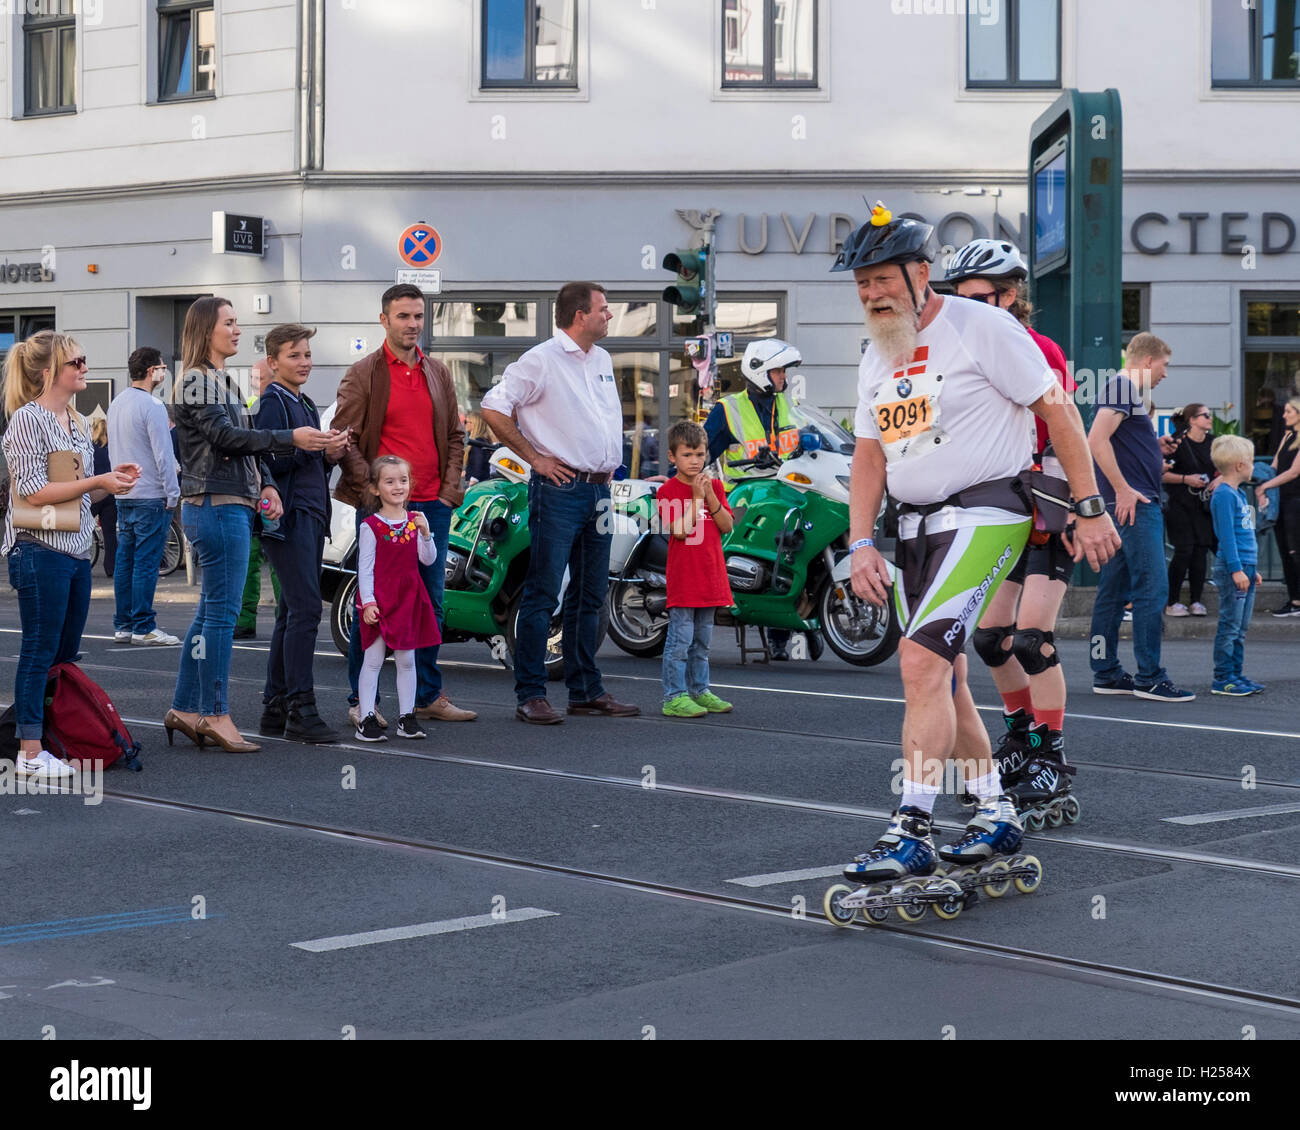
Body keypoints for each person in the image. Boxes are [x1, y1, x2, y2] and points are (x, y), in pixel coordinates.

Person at [834, 203, 1119, 885]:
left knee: (917, 663)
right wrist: (859, 543)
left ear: (920, 273)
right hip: (912, 528)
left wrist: (1087, 506)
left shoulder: (981, 326)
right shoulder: (878, 354)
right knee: (945, 672)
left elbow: (1058, 408)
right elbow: (869, 455)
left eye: (882, 278)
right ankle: (994, 811)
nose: (872, 293)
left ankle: (911, 828)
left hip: (987, 512)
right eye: (861, 283)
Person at [164, 297, 334, 754]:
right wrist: (288, 438)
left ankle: (183, 708)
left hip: (228, 501)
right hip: (216, 505)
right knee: (220, 616)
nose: (238, 330)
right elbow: (226, 437)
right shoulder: (198, 379)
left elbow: (242, 444)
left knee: (208, 614)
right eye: (230, 323)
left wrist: (267, 485)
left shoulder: (222, 379)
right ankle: (215, 714)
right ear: (207, 329)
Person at [946, 238, 1079, 818]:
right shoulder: (960, 348)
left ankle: (1051, 754)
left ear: (1011, 294)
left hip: (1047, 503)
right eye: (960, 297)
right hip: (999, 506)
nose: (968, 306)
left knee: (1031, 639)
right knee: (989, 639)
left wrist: (1084, 505)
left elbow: (1060, 425)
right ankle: (1022, 738)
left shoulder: (1037, 347)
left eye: (980, 297)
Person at [480, 282, 640, 725]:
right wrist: (534, 458)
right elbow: (494, 408)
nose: (609, 315)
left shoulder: (603, 359)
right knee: (543, 592)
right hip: (559, 490)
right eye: (603, 309)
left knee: (591, 595)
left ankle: (585, 691)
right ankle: (530, 694)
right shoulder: (541, 360)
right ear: (578, 315)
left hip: (599, 490)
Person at [332, 284, 475, 728]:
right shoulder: (364, 373)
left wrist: (449, 491)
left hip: (431, 504)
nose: (412, 324)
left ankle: (427, 695)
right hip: (382, 512)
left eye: (417, 316)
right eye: (403, 316)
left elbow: (455, 436)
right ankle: (362, 699)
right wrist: (371, 489)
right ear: (384, 320)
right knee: (372, 604)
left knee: (429, 603)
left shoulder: (438, 372)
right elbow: (344, 439)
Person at [2, 330, 141, 778]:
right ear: (48, 373)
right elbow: (34, 490)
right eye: (75, 363)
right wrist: (97, 483)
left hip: (76, 549)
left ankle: (50, 737)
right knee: (39, 650)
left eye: (83, 361)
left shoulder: (76, 420)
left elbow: (76, 490)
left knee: (63, 652)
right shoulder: (28, 419)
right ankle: (29, 750)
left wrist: (111, 477)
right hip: (38, 548)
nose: (84, 368)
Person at [254, 325, 352, 744]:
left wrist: (329, 454)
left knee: (291, 611)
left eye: (308, 354)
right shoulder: (271, 404)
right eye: (295, 355)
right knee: (307, 610)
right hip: (288, 517)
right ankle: (300, 708)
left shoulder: (306, 403)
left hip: (310, 515)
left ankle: (277, 708)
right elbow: (264, 463)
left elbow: (308, 463)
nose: (305, 362)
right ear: (273, 363)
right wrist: (309, 450)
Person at [1087, 333, 1195, 701]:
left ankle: (1106, 672)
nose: (1165, 373)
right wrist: (1122, 488)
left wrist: (1154, 447)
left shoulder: (1123, 390)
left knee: (1114, 590)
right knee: (1152, 588)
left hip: (1124, 505)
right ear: (1148, 361)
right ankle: (1150, 677)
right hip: (1135, 505)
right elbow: (1096, 440)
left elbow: (1114, 441)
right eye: (1165, 365)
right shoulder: (1124, 386)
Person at [704, 336, 807, 660]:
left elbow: (802, 442)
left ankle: (796, 620)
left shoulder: (786, 406)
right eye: (778, 371)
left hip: (783, 491)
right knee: (776, 551)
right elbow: (701, 450)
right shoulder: (728, 409)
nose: (783, 378)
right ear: (760, 370)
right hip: (744, 496)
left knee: (796, 551)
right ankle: (772, 630)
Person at [353, 455, 440, 743]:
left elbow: (428, 560)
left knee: (407, 660)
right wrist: (368, 602)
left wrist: (427, 535)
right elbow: (364, 569)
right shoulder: (371, 526)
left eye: (403, 480)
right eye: (389, 481)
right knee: (374, 659)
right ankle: (366, 718)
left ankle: (406, 717)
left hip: (408, 601)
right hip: (380, 600)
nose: (398, 486)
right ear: (376, 489)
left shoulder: (416, 522)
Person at [656, 420, 735, 718]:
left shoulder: (714, 486)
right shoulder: (667, 491)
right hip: (685, 580)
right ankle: (673, 696)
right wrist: (697, 498)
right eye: (688, 455)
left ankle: (700, 690)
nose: (695, 461)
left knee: (702, 642)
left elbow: (727, 525)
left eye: (700, 455)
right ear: (672, 457)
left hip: (711, 576)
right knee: (680, 641)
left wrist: (711, 496)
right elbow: (679, 530)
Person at [108, 346, 181, 645]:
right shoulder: (153, 405)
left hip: (124, 492)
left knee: (125, 561)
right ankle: (143, 626)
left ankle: (123, 624)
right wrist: (173, 492)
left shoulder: (117, 403)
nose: (164, 372)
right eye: (163, 367)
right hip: (152, 493)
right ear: (152, 371)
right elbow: (163, 454)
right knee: (147, 563)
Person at [1209, 436, 1264, 696]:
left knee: (1240, 627)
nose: (1254, 466)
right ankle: (1223, 678)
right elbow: (1227, 536)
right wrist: (1236, 569)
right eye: (1252, 461)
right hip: (1235, 568)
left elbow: (1245, 535)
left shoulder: (1238, 493)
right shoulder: (1223, 495)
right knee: (1230, 625)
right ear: (1241, 465)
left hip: (1246, 568)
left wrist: (1252, 569)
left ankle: (1236, 674)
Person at [234, 358, 281, 640]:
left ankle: (246, 619)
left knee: (256, 560)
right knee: (266, 559)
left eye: (257, 377)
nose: (253, 382)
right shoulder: (257, 404)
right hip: (264, 492)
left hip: (262, 492)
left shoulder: (257, 406)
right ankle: (275, 619)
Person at [1161, 402, 1217, 617]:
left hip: (1203, 504)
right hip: (1179, 503)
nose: (1209, 419)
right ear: (1192, 420)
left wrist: (1216, 480)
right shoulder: (1176, 442)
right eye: (1205, 415)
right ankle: (1172, 601)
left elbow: (1222, 467)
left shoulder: (1213, 443)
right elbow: (1161, 473)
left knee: (1201, 550)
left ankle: (1196, 600)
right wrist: (1186, 479)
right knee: (1184, 549)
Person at [1256, 396, 1300, 616]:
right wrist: (1265, 485)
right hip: (1282, 499)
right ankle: (1294, 599)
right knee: (1285, 550)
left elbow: (1294, 471)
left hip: (1296, 501)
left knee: (1296, 550)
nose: (1284, 415)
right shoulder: (1287, 435)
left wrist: (1264, 488)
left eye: (1289, 412)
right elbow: (1274, 466)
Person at [88, 412, 118, 579]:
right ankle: (111, 568)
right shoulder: (113, 449)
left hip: (93, 493)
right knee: (110, 533)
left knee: (82, 527)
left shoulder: (90, 449)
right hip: (110, 494)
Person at [464, 411, 496, 485]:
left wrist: (474, 478)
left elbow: (478, 461)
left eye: (466, 421)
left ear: (474, 424)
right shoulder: (484, 440)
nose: (465, 424)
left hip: (477, 482)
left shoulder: (478, 441)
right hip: (482, 480)